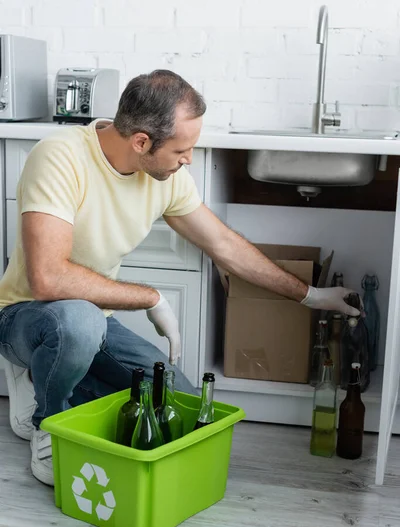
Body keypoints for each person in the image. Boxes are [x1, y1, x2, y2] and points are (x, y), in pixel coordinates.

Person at [0, 70, 358, 486]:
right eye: (182, 150)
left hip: (97, 321)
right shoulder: (60, 156)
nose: (189, 158)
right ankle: (49, 422)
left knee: (181, 403)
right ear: (141, 142)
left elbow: (224, 245)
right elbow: (47, 278)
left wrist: (313, 296)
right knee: (79, 324)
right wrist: (151, 298)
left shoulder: (165, 176)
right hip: (24, 317)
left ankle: (49, 380)